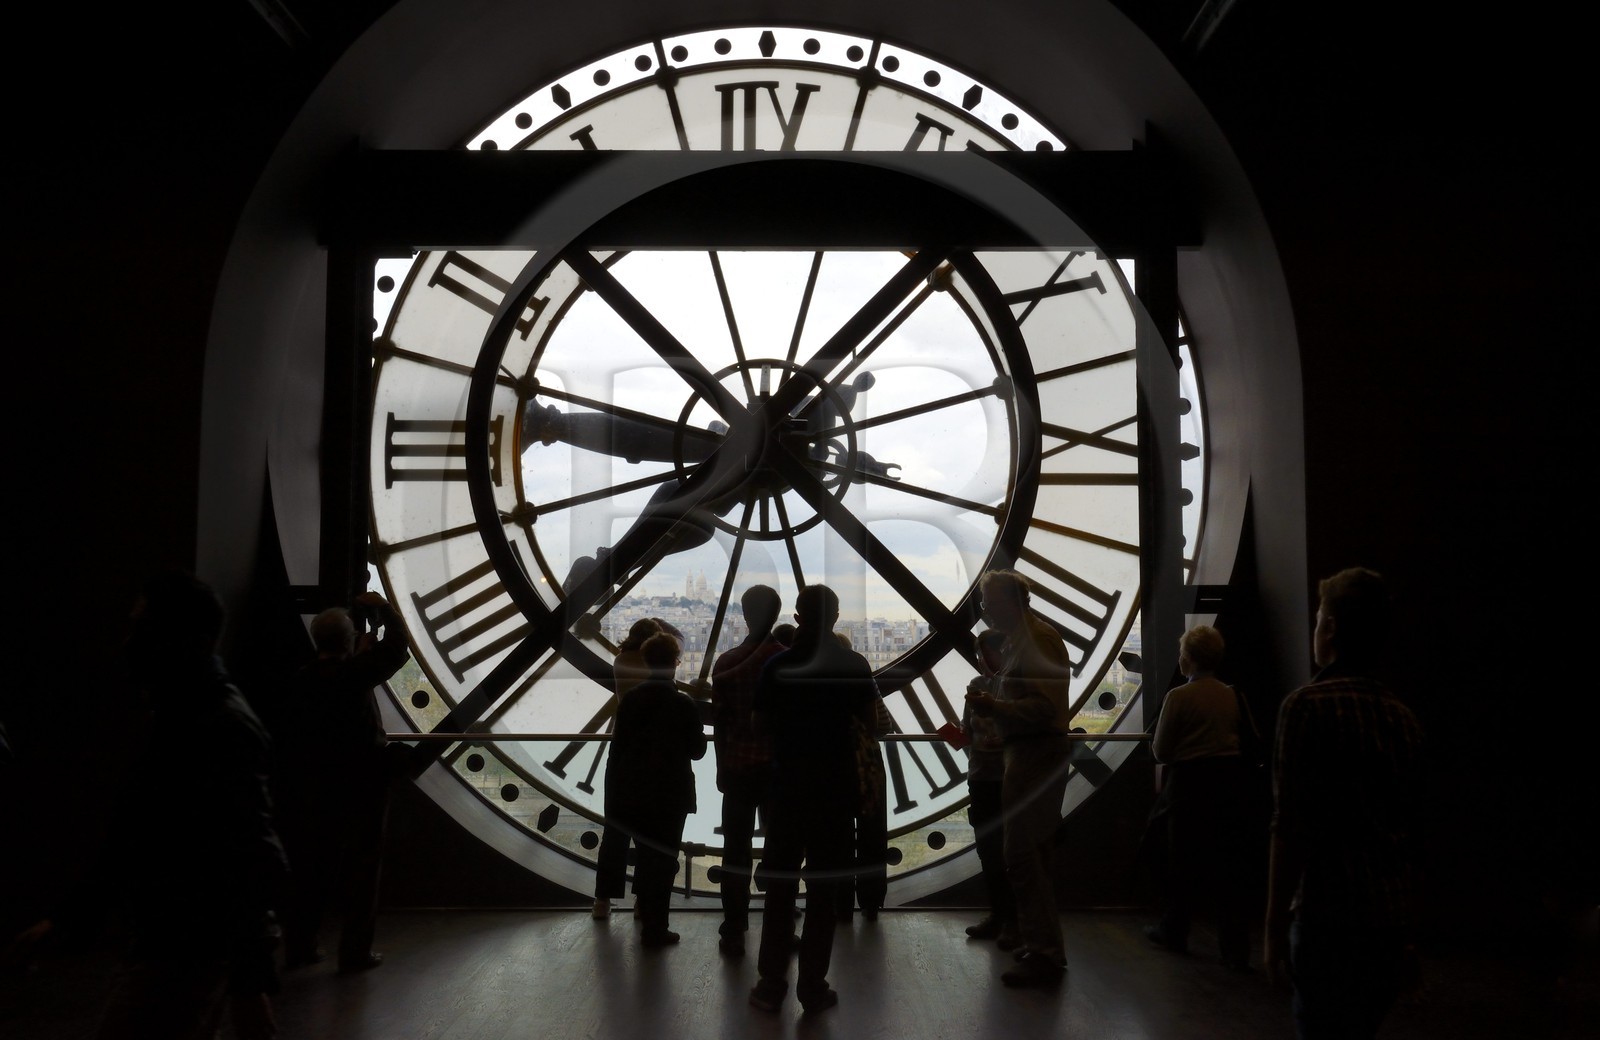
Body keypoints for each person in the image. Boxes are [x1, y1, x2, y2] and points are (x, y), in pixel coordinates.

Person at [8, 571, 288, 1039]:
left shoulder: (191, 724)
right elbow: (249, 858)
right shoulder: (219, 724)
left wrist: (68, 922)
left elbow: (137, 839)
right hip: (188, 942)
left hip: (176, 944)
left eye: (143, 629)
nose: (130, 643)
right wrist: (249, 976)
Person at [1264, 568, 1424, 1039]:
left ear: (1330, 629)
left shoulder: (1305, 708)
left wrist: (1273, 927)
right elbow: (1413, 836)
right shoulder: (1403, 718)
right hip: (1388, 922)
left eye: (1318, 620)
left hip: (1327, 917)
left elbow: (1290, 827)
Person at [748, 585, 877, 1014]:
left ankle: (770, 983)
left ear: (798, 617)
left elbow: (760, 723)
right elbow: (869, 723)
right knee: (824, 893)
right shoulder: (853, 665)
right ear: (836, 617)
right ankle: (813, 985)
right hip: (835, 793)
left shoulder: (777, 665)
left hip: (787, 790)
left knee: (779, 889)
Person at [277, 590, 410, 974]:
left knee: (312, 868)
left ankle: (300, 945)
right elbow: (399, 648)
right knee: (362, 872)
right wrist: (384, 609)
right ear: (349, 640)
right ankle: (354, 954)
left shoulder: (303, 681)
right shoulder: (357, 674)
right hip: (363, 786)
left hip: (315, 788)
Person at [964, 569, 1072, 988]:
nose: (984, 608)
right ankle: (1041, 947)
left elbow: (1042, 711)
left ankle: (1043, 950)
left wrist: (994, 707)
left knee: (1021, 855)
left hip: (1030, 755)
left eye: (987, 601)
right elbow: (1047, 708)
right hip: (1033, 754)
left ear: (1009, 602)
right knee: (1028, 855)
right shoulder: (1035, 639)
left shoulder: (1030, 642)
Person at [1144, 624, 1258, 969]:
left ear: (1189, 658)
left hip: (1189, 787)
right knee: (1229, 871)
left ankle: (1174, 929)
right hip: (1229, 785)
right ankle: (1235, 948)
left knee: (1183, 865)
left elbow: (1162, 750)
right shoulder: (1232, 694)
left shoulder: (1179, 697)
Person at [604, 631, 707, 948]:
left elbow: (619, 748)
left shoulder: (631, 701)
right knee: (661, 863)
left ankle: (651, 923)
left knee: (648, 859)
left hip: (633, 790)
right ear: (676, 664)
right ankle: (654, 926)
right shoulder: (682, 704)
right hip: (670, 793)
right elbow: (697, 750)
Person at [709, 586, 786, 956]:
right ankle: (779, 927)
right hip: (777, 771)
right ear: (777, 615)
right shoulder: (786, 662)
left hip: (737, 768)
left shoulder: (726, 663)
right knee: (780, 852)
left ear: (744, 614)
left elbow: (721, 724)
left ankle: (735, 927)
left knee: (734, 853)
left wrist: (722, 767)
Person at [593, 617, 677, 919]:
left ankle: (602, 900)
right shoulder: (656, 674)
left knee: (614, 834)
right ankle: (644, 902)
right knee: (648, 836)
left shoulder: (620, 661)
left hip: (623, 753)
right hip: (654, 757)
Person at [961, 629, 1018, 947]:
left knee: (990, 853)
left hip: (981, 778)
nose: (982, 660)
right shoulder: (1015, 686)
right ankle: (1011, 920)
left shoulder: (976, 687)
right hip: (1005, 779)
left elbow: (967, 729)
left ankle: (1000, 915)